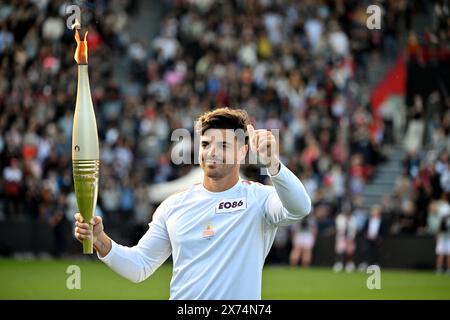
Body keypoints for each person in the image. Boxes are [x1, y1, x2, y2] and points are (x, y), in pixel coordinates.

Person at [74, 108, 311, 299]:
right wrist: (100, 241)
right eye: (206, 144)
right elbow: (140, 266)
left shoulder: (260, 199)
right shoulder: (173, 205)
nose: (212, 152)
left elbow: (300, 207)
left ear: (242, 152)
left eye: (224, 145)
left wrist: (272, 163)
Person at [333, 203, 357, 273]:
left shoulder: (353, 218)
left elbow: (354, 229)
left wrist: (352, 238)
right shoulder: (340, 217)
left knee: (350, 252)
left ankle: (349, 265)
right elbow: (339, 228)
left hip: (350, 238)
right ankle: (339, 264)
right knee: (340, 251)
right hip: (341, 237)